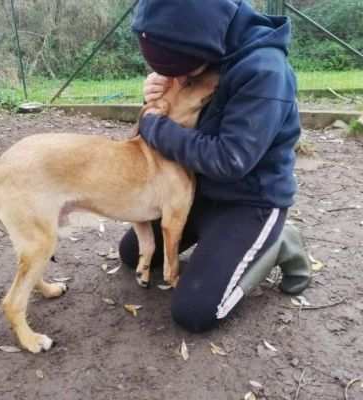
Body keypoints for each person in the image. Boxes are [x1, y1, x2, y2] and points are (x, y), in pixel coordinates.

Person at [119, 0, 311, 333]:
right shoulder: (207, 49)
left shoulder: (265, 72)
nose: (175, 77)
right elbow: (183, 118)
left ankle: (277, 242)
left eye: (180, 70)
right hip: (200, 190)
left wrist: (153, 125)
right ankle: (230, 247)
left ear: (198, 41)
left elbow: (228, 160)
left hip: (250, 200)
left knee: (195, 312)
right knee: (131, 252)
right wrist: (157, 99)